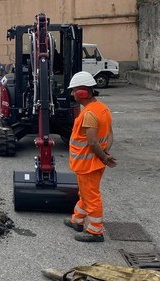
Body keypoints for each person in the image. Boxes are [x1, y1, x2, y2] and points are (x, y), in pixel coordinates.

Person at [63, 71, 116, 242]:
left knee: (91, 196)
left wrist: (104, 157)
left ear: (82, 93)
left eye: (74, 91)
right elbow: (109, 134)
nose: (72, 94)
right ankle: (77, 221)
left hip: (88, 165)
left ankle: (95, 231)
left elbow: (92, 142)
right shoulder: (102, 109)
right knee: (85, 193)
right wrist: (105, 153)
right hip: (95, 163)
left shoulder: (89, 114)